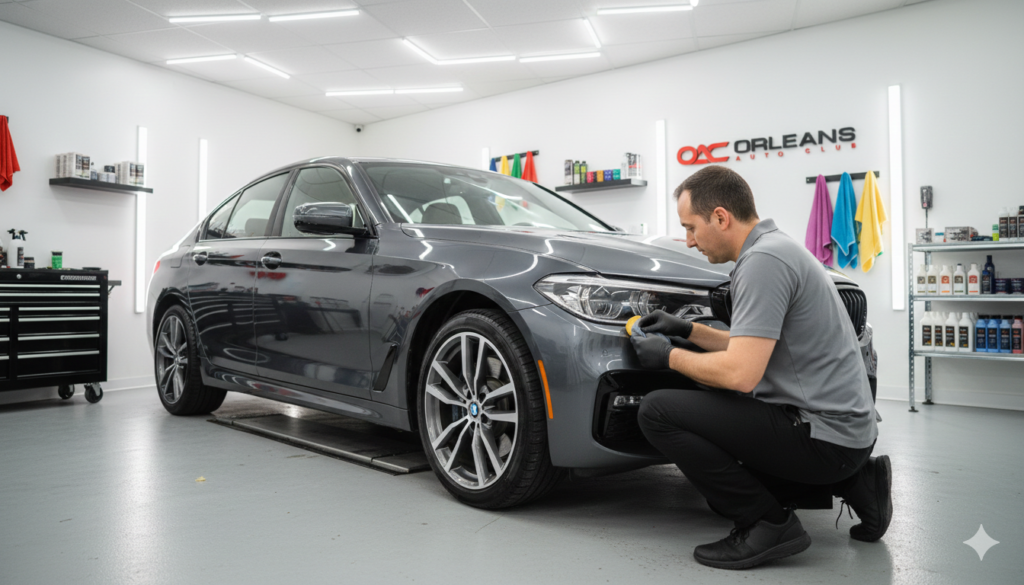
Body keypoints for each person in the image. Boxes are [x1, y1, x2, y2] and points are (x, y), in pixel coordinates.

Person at [630, 165, 891, 570]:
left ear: (721, 216)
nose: (689, 240)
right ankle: (858, 482)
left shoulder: (762, 261)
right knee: (720, 450)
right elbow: (756, 342)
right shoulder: (775, 247)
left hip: (824, 439)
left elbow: (741, 373)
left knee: (657, 411)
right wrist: (687, 329)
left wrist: (667, 356)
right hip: (848, 433)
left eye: (691, 227)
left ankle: (768, 524)